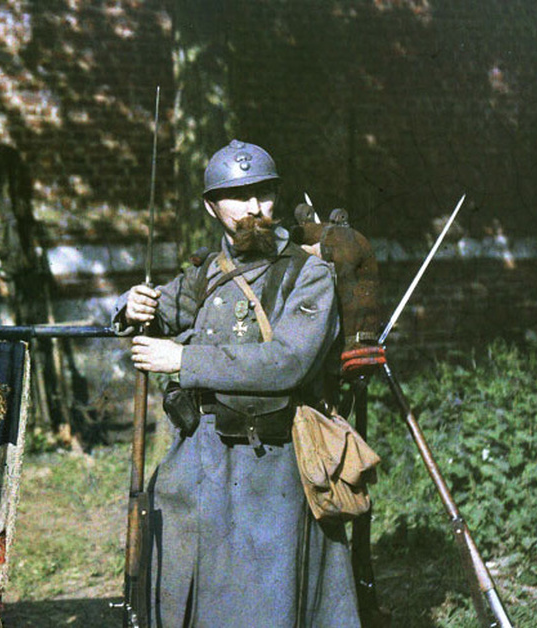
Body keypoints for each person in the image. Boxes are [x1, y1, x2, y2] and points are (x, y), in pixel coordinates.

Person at [113, 139, 361, 627]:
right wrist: (131, 304)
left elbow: (286, 362)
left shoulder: (307, 272)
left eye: (264, 193)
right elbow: (159, 308)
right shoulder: (207, 271)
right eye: (238, 194)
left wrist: (184, 360)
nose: (253, 207)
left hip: (271, 462)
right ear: (211, 206)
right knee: (182, 575)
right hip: (200, 458)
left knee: (263, 600)